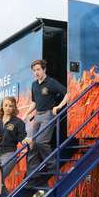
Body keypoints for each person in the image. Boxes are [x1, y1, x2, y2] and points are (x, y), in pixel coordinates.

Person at [21, 59, 68, 188]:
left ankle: (53, 165)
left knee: (41, 141)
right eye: (34, 70)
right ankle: (33, 177)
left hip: (48, 114)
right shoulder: (34, 85)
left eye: (38, 70)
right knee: (33, 145)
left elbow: (67, 94)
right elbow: (34, 103)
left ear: (44, 69)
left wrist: (58, 106)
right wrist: (26, 114)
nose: (36, 72)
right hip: (37, 115)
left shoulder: (51, 83)